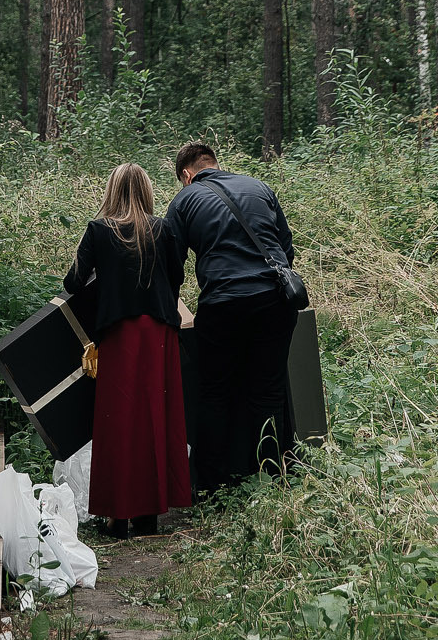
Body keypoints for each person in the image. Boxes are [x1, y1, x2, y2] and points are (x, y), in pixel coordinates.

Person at [61, 163, 191, 538]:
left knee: (117, 421)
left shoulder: (99, 230)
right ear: (147, 191)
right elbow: (177, 277)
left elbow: (73, 282)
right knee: (155, 417)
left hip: (118, 333)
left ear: (111, 191)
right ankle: (149, 514)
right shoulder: (163, 229)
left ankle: (117, 517)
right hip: (159, 333)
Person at [165, 142, 296, 489]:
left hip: (222, 305)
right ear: (215, 164)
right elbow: (286, 248)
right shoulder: (259, 187)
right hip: (274, 300)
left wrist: (170, 312)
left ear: (186, 175)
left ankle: (213, 486)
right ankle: (271, 477)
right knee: (269, 392)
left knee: (215, 393)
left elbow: (171, 264)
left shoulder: (184, 200)